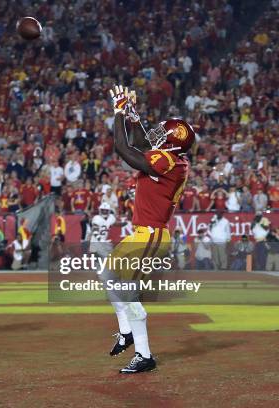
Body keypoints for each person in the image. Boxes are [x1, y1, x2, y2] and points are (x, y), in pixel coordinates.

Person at [104, 85, 194, 374]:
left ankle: (143, 354)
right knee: (106, 275)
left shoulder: (169, 161)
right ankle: (127, 332)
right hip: (144, 233)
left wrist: (118, 113)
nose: (156, 135)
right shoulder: (172, 159)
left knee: (128, 292)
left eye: (162, 134)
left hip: (152, 234)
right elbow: (144, 144)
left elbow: (125, 149)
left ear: (172, 144)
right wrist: (132, 116)